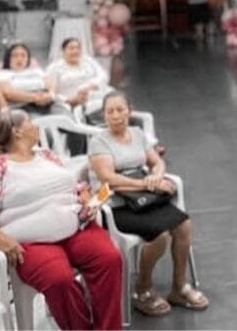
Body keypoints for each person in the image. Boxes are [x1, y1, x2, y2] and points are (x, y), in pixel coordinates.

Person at [0, 109, 122, 330]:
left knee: (109, 259)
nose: (36, 126)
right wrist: (4, 242)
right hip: (32, 241)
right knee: (59, 279)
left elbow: (73, 184)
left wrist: (85, 196)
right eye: (30, 122)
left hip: (74, 226)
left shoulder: (46, 155)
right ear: (17, 132)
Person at [88, 91, 208, 317]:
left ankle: (179, 287)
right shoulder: (98, 142)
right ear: (104, 115)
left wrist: (157, 176)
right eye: (110, 111)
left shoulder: (137, 133)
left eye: (120, 110)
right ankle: (142, 290)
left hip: (143, 199)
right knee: (159, 236)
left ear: (129, 111)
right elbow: (108, 179)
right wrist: (146, 183)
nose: (116, 116)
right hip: (116, 206)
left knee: (184, 225)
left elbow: (157, 162)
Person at [0, 42, 69, 118]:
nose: (19, 59)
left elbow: (51, 82)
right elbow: (8, 93)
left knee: (66, 117)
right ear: (8, 58)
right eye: (15, 56)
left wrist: (50, 94)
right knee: (40, 122)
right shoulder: (2, 74)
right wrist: (35, 97)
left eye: (23, 55)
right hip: (23, 106)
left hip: (48, 102)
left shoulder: (36, 71)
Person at [46, 38, 110, 119]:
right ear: (63, 51)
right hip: (66, 104)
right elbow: (51, 93)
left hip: (93, 99)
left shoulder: (88, 61)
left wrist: (90, 85)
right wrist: (68, 100)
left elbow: (103, 76)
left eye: (78, 48)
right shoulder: (54, 68)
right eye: (71, 48)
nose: (75, 51)